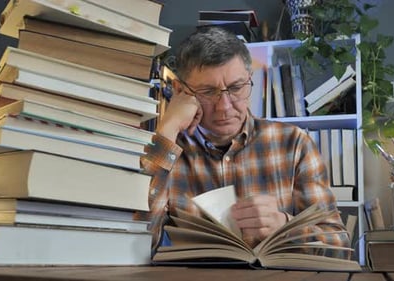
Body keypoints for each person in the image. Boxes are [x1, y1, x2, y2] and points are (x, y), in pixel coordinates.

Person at [141, 27, 350, 258]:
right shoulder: (167, 149)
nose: (225, 107)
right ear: (180, 91)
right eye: (208, 92)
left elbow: (339, 248)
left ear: (250, 81)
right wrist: (167, 130)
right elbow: (135, 240)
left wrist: (284, 226)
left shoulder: (295, 144)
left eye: (236, 88)